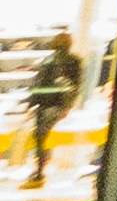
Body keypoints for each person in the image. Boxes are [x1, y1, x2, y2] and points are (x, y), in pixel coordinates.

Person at [22, 29, 82, 186]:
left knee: (40, 137)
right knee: (44, 137)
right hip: (59, 105)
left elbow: (38, 84)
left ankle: (39, 173)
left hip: (45, 104)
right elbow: (76, 85)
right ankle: (41, 169)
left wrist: (30, 104)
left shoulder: (48, 61)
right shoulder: (75, 61)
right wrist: (67, 106)